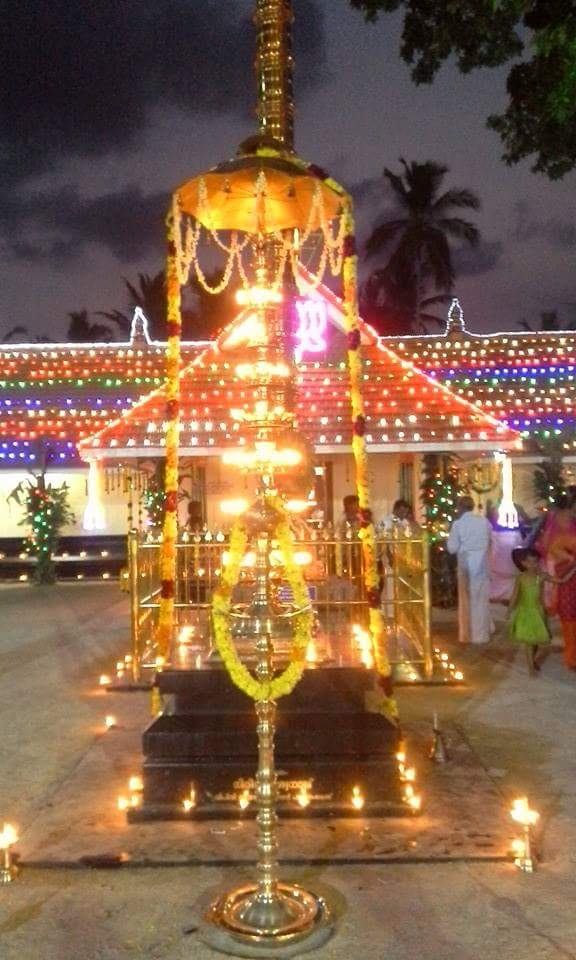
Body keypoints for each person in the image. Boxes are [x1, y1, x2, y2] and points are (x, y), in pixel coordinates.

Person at [535, 493, 576, 669]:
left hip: (562, 569)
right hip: (563, 572)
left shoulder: (558, 519)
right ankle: (571, 656)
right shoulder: (560, 521)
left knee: (568, 614)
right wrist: (567, 558)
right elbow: (549, 548)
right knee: (568, 615)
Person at [447, 496, 492, 645]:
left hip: (465, 564)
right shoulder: (484, 522)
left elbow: (452, 548)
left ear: (459, 507)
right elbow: (490, 541)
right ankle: (482, 634)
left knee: (466, 600)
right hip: (482, 565)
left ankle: (466, 634)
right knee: (481, 599)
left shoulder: (458, 524)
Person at [509, 549, 554, 675]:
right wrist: (509, 610)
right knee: (529, 641)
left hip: (538, 612)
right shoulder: (520, 578)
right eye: (530, 562)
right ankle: (531, 667)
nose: (533, 565)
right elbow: (514, 596)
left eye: (535, 562)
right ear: (523, 563)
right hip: (525, 611)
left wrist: (571, 571)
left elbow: (559, 581)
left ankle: (532, 661)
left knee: (535, 640)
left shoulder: (542, 576)